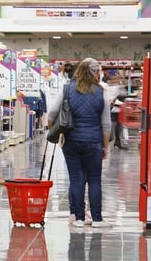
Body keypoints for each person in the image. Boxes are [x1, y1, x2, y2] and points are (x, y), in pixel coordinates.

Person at [48, 57, 112, 228]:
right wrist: (105, 146)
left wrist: (54, 129)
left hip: (71, 141)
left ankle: (78, 218)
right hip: (93, 142)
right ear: (94, 72)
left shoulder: (67, 88)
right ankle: (97, 219)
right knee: (94, 180)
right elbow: (106, 124)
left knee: (76, 179)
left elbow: (52, 113)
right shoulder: (101, 92)